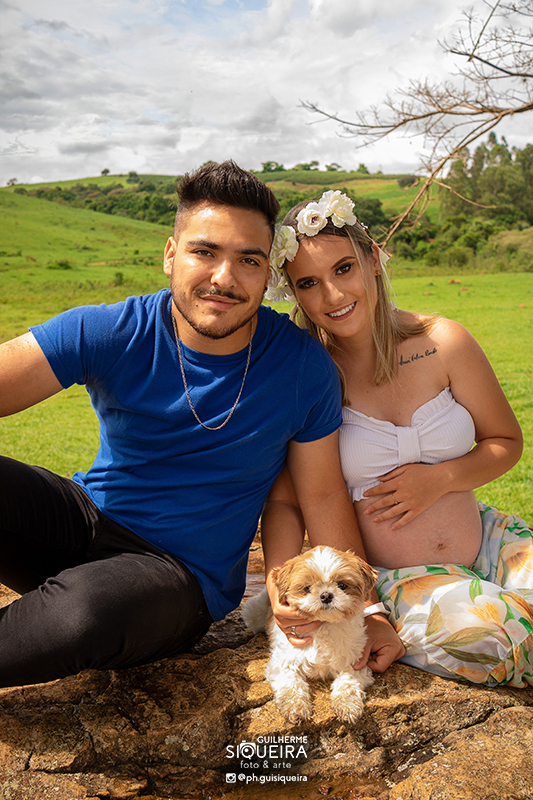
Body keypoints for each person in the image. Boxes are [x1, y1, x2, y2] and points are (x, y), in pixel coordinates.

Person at [0, 162, 403, 688]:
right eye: (205, 252)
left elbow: (323, 495)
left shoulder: (302, 367)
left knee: (85, 614)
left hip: (176, 576)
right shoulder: (114, 330)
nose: (224, 278)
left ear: (267, 273)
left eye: (248, 260)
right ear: (172, 254)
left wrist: (368, 613)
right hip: (85, 519)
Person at [264, 189, 533, 687]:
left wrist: (441, 479)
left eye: (344, 268)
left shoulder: (444, 342)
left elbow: (505, 442)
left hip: (488, 541)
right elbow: (286, 499)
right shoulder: (307, 374)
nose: (333, 295)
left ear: (372, 259)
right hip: (391, 577)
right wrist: (281, 584)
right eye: (308, 283)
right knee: (499, 635)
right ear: (294, 293)